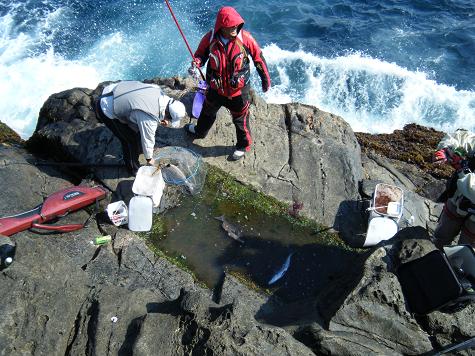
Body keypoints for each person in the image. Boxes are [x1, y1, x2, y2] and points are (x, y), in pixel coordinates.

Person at [185, 6, 271, 161]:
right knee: (207, 111)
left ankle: (243, 145)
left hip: (238, 92)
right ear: (221, 26)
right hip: (215, 89)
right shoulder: (209, 38)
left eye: (237, 24)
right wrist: (196, 63)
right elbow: (200, 55)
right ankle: (199, 132)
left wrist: (266, 81)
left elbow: (259, 60)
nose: (235, 28)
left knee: (240, 119)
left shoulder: (246, 38)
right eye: (231, 25)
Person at [95, 80, 186, 175]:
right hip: (106, 107)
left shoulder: (157, 90)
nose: (169, 121)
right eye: (170, 119)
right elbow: (148, 140)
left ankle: (137, 148)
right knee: (129, 141)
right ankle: (133, 169)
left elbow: (146, 107)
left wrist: (161, 119)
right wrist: (149, 158)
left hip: (113, 90)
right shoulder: (149, 119)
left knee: (136, 127)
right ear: (167, 113)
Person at [432, 128, 475, 248]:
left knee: (466, 253)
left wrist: (462, 169)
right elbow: (461, 137)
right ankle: (436, 253)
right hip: (457, 200)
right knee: (440, 237)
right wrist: (446, 149)